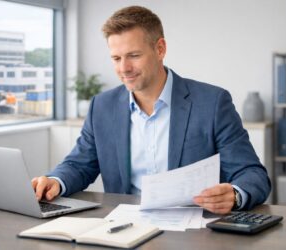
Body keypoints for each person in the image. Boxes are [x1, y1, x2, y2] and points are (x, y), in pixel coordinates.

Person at [32, 6, 270, 214]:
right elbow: (79, 165)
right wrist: (55, 181)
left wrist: (235, 195)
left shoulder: (212, 103)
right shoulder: (102, 107)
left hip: (193, 230)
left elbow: (252, 174)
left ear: (160, 49)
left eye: (133, 56)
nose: (124, 68)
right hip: (124, 226)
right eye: (116, 58)